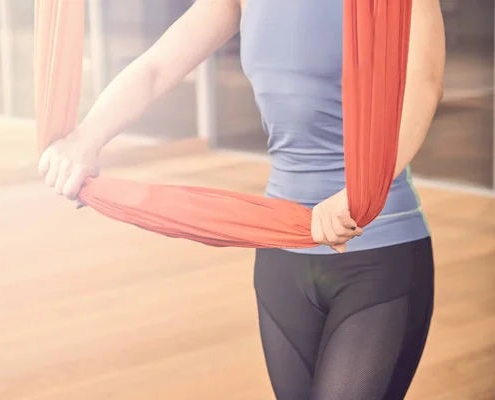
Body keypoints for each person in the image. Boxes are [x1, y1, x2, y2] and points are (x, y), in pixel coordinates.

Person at [38, 0, 446, 398]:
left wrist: (359, 196)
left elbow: (423, 81)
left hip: (377, 249)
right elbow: (155, 69)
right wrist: (85, 138)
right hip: (281, 248)